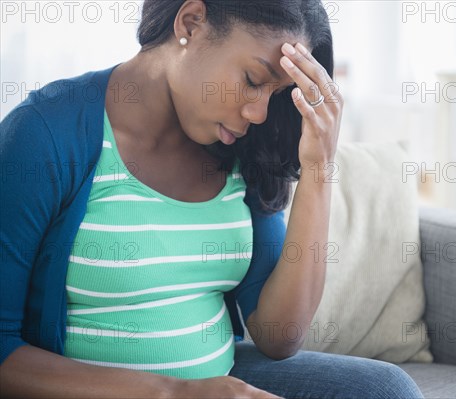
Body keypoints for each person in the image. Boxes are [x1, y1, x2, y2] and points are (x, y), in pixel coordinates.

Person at [0, 0, 424, 397]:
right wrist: (175, 393)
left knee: (385, 389)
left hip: (216, 382)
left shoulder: (239, 148)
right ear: (190, 23)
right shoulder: (44, 135)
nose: (259, 113)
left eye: (274, 94)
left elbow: (280, 336)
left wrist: (318, 168)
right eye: (252, 80)